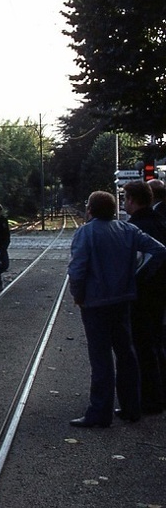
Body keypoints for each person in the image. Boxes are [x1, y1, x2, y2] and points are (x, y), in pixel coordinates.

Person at [67, 190, 166, 428]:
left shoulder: (85, 233)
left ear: (90, 210)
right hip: (122, 300)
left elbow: (78, 269)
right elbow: (160, 250)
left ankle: (100, 412)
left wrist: (78, 294)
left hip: (95, 302)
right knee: (126, 354)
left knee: (100, 358)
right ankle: (132, 407)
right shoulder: (128, 230)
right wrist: (137, 277)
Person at [122, 181, 166, 414]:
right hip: (159, 294)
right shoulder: (159, 220)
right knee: (157, 343)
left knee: (142, 346)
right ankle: (159, 394)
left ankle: (148, 399)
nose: (123, 203)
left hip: (143, 295)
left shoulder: (138, 227)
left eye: (125, 198)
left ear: (132, 200)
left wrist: (136, 280)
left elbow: (141, 259)